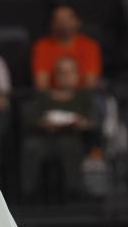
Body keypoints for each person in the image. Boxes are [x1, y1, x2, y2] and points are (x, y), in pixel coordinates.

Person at [20, 56, 95, 201]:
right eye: (61, 72)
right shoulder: (43, 98)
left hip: (75, 139)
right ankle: (29, 196)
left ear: (77, 75)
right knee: (31, 146)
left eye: (69, 72)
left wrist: (82, 123)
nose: (65, 76)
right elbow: (30, 120)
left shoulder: (84, 97)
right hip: (44, 139)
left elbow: (93, 121)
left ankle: (74, 195)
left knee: (69, 146)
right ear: (55, 76)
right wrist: (43, 123)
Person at [32, 6, 101, 90]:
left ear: (78, 21)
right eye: (59, 20)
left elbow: (91, 82)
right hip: (53, 95)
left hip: (81, 95)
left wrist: (78, 97)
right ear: (52, 24)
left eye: (68, 19)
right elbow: (41, 84)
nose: (64, 24)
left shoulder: (89, 45)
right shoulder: (42, 46)